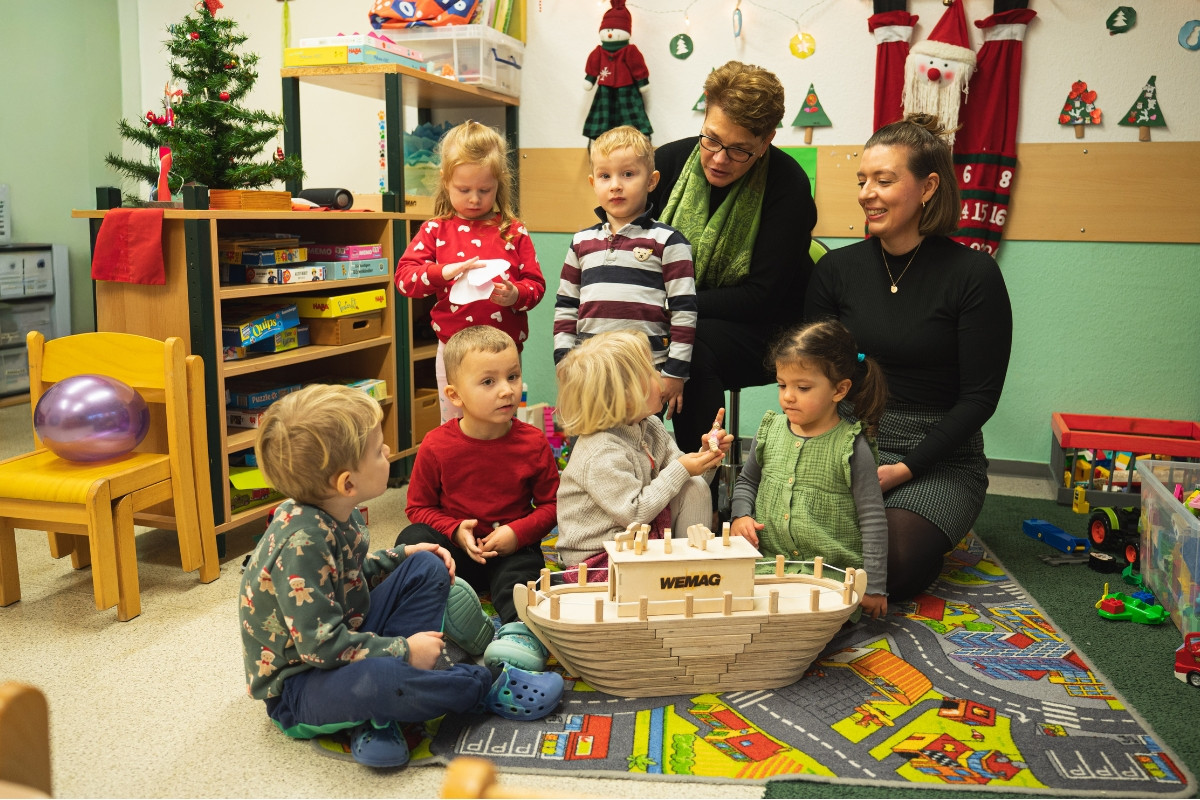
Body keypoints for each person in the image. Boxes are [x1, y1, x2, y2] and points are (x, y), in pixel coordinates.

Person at [239, 384, 563, 770]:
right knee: (382, 678)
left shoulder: (339, 512)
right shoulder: (300, 543)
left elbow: (349, 576)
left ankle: (383, 715)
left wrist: (400, 556)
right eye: (378, 450)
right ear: (347, 482)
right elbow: (320, 649)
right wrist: (403, 650)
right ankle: (484, 685)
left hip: (350, 636)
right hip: (302, 684)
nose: (388, 452)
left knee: (426, 565)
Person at [804, 113, 1013, 601]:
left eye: (884, 180)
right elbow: (811, 373)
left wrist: (905, 469)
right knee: (775, 536)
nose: (866, 193)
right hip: (847, 437)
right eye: (862, 180)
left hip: (938, 458)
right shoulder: (837, 269)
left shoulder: (973, 274)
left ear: (928, 187)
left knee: (890, 565)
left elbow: (980, 398)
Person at [646, 60, 818, 452]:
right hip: (674, 313)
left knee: (693, 345)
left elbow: (761, 296)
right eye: (712, 139)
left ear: (767, 140)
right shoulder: (666, 164)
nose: (720, 159)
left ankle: (698, 483)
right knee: (622, 339)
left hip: (767, 327)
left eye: (740, 150)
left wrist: (671, 306)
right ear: (705, 112)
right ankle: (624, 473)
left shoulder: (787, 186)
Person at [395, 326, 559, 673]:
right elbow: (417, 508)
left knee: (528, 575)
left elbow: (553, 506)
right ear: (455, 395)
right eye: (488, 382)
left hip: (509, 552)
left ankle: (520, 635)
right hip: (456, 553)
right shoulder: (436, 445)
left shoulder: (533, 442)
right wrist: (454, 531)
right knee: (411, 543)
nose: (506, 390)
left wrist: (517, 533)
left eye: (513, 376)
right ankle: (442, 620)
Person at [729, 320, 890, 619]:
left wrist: (875, 586)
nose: (788, 396)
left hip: (831, 574)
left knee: (805, 620)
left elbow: (873, 519)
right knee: (729, 602)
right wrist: (741, 515)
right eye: (782, 384)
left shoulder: (852, 446)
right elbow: (746, 482)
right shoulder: (770, 430)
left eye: (802, 387)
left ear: (839, 390)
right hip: (769, 564)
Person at [394, 120, 546, 424]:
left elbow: (536, 285)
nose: (474, 199)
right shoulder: (435, 230)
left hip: (502, 353)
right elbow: (405, 279)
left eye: (484, 190)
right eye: (463, 190)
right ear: (445, 181)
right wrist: (443, 272)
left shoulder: (513, 231)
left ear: (498, 184)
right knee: (454, 426)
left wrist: (515, 294)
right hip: (453, 350)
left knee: (501, 425)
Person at [555, 330, 732, 581]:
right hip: (597, 559)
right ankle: (673, 577)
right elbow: (634, 513)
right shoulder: (600, 450)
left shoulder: (650, 426)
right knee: (640, 583)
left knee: (694, 487)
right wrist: (682, 468)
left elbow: (683, 479)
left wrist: (706, 457)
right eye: (650, 372)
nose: (659, 377)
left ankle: (689, 569)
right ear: (626, 397)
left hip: (637, 538)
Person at [553, 124, 697, 417]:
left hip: (645, 373)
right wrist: (564, 362)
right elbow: (566, 307)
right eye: (605, 176)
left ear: (652, 180)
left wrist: (675, 372)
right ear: (593, 182)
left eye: (628, 174)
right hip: (590, 372)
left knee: (643, 451)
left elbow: (684, 311)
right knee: (593, 449)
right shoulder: (581, 243)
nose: (615, 185)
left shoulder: (669, 242)